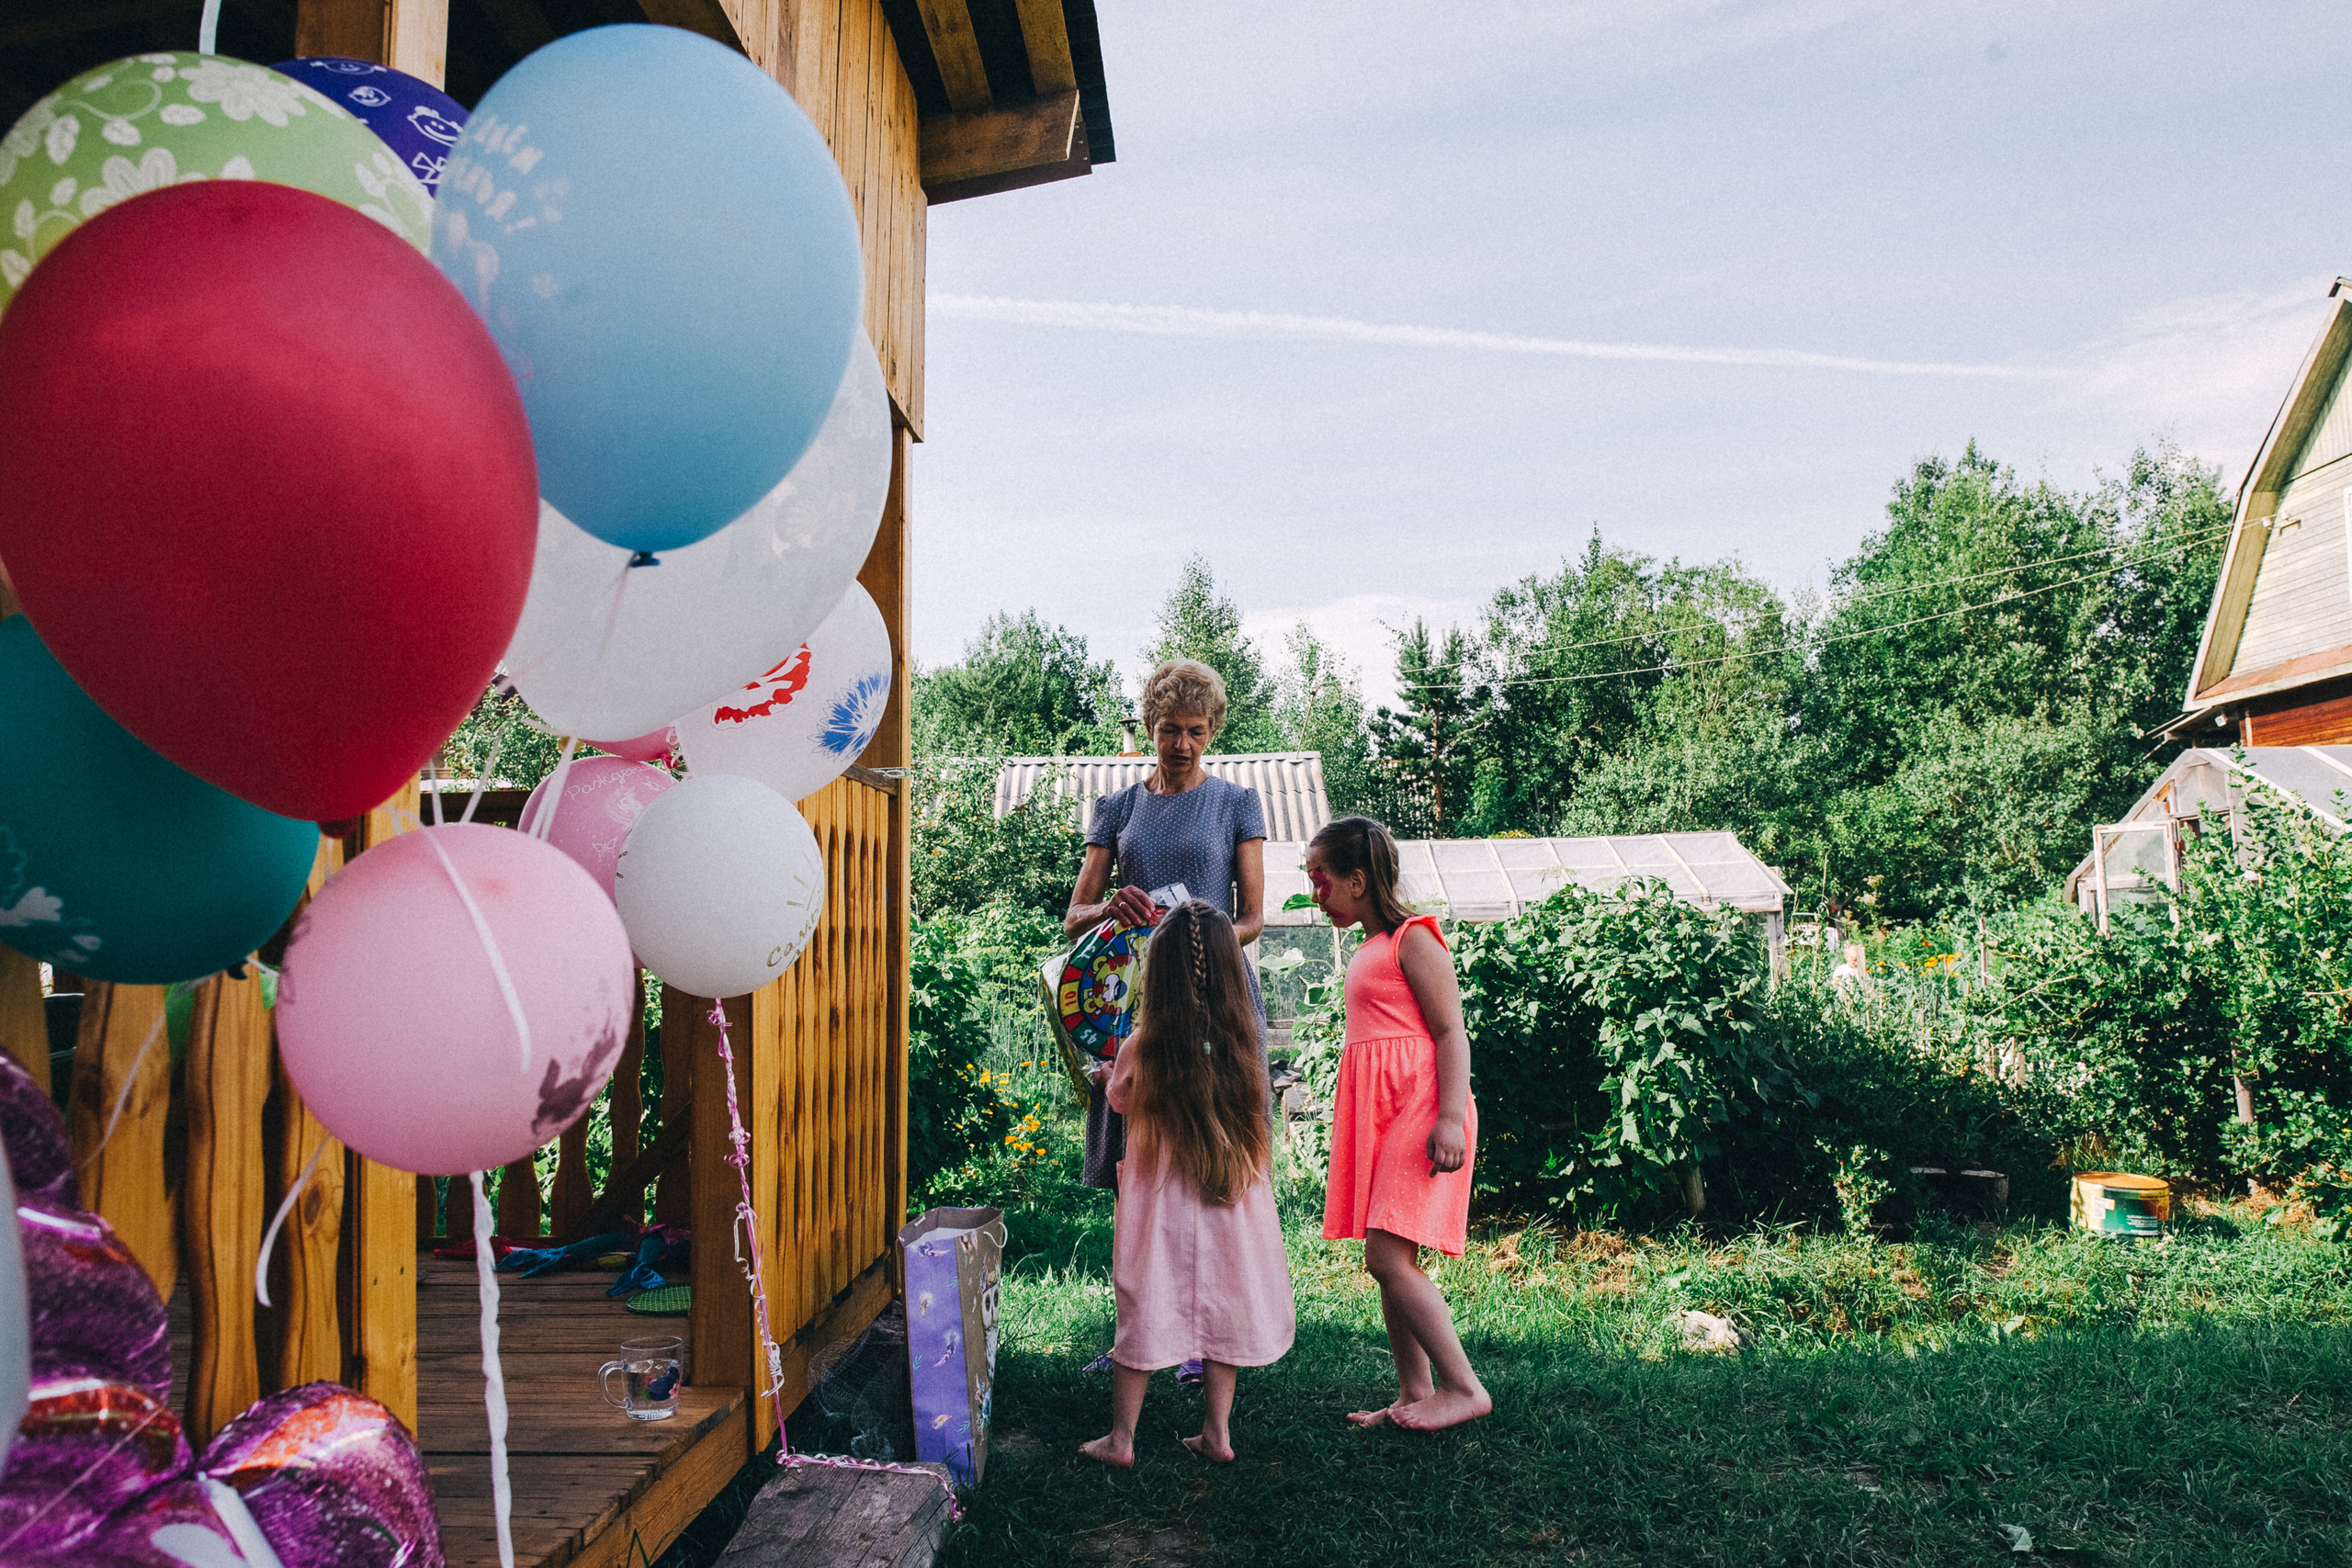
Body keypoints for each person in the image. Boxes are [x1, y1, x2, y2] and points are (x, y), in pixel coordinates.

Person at [1079, 901, 1295, 1467]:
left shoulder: (1144, 1045)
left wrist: (1107, 1076)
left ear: (1160, 976)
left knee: (1144, 1304)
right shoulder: (1240, 1047)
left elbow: (1121, 1099)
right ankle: (1217, 1434)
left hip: (1160, 1210)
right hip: (1228, 1201)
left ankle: (1121, 1439)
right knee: (1223, 1310)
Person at [1307, 815, 1490, 1431]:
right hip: (1388, 1116)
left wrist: (1449, 1119)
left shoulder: (1414, 938)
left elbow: (1451, 1033)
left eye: (1322, 879)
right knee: (1387, 1257)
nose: (1316, 893)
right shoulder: (1370, 947)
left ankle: (1463, 1387)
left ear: (1358, 880)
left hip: (1423, 1108)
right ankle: (1416, 1393)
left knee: (1387, 1257)